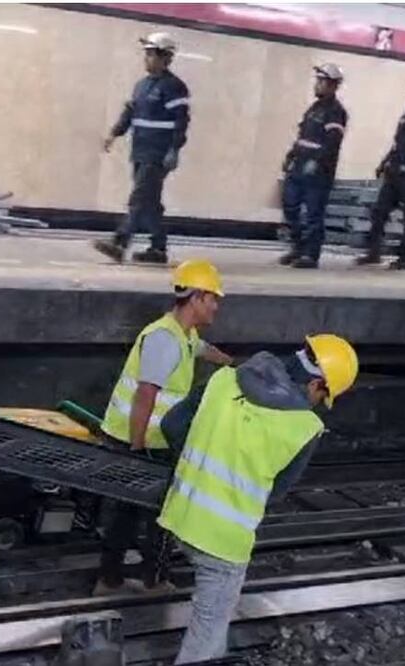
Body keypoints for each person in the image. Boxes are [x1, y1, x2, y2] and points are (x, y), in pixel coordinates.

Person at [157, 334, 360, 663]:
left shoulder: (223, 378)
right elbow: (276, 494)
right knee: (205, 636)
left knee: (209, 626)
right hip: (223, 543)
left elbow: (172, 424)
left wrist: (199, 467)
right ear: (317, 382)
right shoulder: (305, 427)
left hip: (179, 515)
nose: (317, 403)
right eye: (323, 395)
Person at [93, 259, 233, 595]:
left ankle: (113, 579)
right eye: (213, 298)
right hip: (140, 441)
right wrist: (138, 446)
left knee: (130, 512)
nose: (216, 305)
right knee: (159, 514)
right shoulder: (164, 339)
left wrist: (232, 365)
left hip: (149, 439)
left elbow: (201, 349)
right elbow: (145, 394)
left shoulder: (183, 334)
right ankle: (151, 582)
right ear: (197, 297)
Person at [94, 32, 191, 265]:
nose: (146, 59)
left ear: (165, 58)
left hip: (158, 154)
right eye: (146, 54)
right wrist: (114, 133)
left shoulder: (174, 87)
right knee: (149, 202)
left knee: (138, 198)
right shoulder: (141, 86)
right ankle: (158, 249)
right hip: (140, 151)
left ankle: (119, 242)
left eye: (151, 54)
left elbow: (181, 122)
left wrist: (174, 150)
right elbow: (130, 112)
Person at [354, 77, 405, 270]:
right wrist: (383, 163)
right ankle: (373, 253)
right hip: (393, 174)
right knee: (379, 212)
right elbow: (397, 145)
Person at [279, 63, 348, 269]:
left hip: (318, 173)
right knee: (290, 206)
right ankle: (298, 247)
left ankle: (310, 255)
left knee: (313, 213)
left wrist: (316, 162)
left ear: (333, 85)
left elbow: (332, 143)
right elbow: (303, 136)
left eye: (321, 81)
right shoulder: (314, 108)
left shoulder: (336, 112)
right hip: (299, 165)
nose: (317, 85)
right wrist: (291, 155)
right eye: (317, 80)